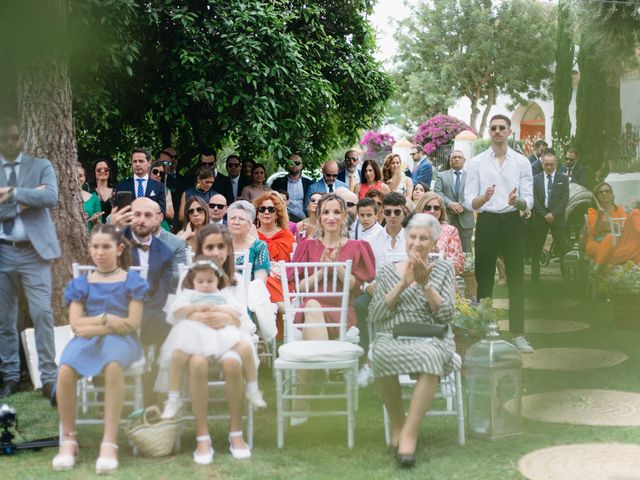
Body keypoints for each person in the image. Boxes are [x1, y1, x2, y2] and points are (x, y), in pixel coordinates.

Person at [52, 224, 148, 474]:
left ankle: (109, 440)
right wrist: (107, 319)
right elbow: (75, 325)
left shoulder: (131, 281)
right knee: (64, 369)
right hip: (88, 339)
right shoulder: (81, 283)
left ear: (119, 249)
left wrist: (96, 325)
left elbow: (132, 324)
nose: (100, 252)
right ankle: (69, 439)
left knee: (113, 365)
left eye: (106, 247)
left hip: (122, 341)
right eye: (95, 246)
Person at [369, 213, 459, 468]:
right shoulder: (388, 271)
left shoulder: (443, 269)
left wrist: (425, 284)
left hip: (432, 335)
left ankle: (409, 433)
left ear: (433, 243)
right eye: (413, 237)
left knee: (430, 357)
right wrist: (402, 284)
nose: (417, 243)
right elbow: (376, 315)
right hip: (392, 334)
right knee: (381, 353)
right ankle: (397, 423)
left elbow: (447, 315)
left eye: (424, 238)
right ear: (405, 239)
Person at [158, 258, 265, 424]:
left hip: (220, 332)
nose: (205, 285)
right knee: (177, 354)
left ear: (218, 281)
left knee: (245, 347)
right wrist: (194, 307)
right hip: (193, 333)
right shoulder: (190, 294)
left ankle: (252, 388)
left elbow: (237, 313)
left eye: (210, 281)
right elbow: (174, 312)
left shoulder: (222, 295)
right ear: (193, 281)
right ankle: (173, 398)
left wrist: (221, 309)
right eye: (200, 281)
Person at [0, 117, 59, 399]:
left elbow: (50, 197)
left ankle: (49, 378)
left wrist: (11, 194)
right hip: (3, 249)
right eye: (5, 139)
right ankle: (10, 376)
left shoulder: (40, 165)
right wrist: (26, 200)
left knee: (42, 314)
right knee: (5, 318)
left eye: (15, 137)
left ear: (22, 137)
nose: (10, 143)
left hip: (34, 252)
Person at [465, 114, 534, 353]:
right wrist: (482, 198)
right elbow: (468, 201)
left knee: (516, 278)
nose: (496, 131)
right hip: (487, 221)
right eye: (493, 128)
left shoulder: (522, 162)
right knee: (484, 277)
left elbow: (529, 200)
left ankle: (518, 334)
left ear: (509, 132)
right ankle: (486, 330)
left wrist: (518, 203)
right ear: (489, 133)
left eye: (501, 128)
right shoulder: (476, 162)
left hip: (512, 220)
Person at [189, 224, 257, 460]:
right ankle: (202, 435)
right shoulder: (191, 279)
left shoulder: (235, 280)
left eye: (221, 247)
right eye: (210, 247)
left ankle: (236, 431)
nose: (216, 252)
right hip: (198, 337)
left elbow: (243, 319)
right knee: (197, 363)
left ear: (228, 250)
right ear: (200, 250)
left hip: (229, 338)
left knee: (233, 363)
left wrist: (227, 317)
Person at [291, 193, 375, 340]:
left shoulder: (357, 246)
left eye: (337, 212)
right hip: (310, 309)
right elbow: (300, 287)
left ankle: (316, 359)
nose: (331, 217)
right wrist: (323, 271)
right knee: (311, 304)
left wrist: (336, 268)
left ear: (344, 216)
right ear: (319, 217)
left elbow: (356, 288)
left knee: (311, 306)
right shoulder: (307, 246)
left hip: (341, 311)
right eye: (325, 212)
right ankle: (324, 359)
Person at [530, 149, 570, 281]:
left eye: (551, 164)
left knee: (563, 249)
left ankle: (566, 278)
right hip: (540, 219)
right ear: (542, 164)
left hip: (557, 218)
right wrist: (544, 214)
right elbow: (533, 199)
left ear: (556, 164)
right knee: (536, 249)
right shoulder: (535, 179)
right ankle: (535, 280)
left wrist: (554, 214)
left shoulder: (563, 179)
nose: (548, 167)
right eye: (546, 164)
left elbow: (565, 199)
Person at [254, 192, 295, 308]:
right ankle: (285, 312)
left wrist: (286, 274)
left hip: (283, 279)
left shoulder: (287, 236)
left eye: (271, 209)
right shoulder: (251, 235)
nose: (266, 212)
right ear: (257, 213)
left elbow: (291, 263)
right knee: (262, 281)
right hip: (258, 279)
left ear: (278, 214)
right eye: (262, 209)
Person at [433, 150, 474, 252]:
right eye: (454, 157)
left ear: (464, 160)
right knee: (446, 249)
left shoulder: (471, 177)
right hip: (447, 218)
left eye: (459, 157)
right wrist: (450, 204)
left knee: (466, 251)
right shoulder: (441, 176)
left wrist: (461, 206)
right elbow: (438, 193)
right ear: (450, 161)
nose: (456, 159)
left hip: (466, 218)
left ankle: (467, 268)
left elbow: (473, 194)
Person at [415, 193, 464, 275]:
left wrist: (444, 258)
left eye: (436, 208)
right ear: (421, 209)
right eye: (428, 208)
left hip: (443, 277)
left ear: (441, 210)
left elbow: (459, 262)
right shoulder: (413, 230)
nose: (432, 211)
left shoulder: (450, 231)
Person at [585, 182, 627, 265]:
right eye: (601, 192)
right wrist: (599, 217)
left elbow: (624, 227)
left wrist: (612, 226)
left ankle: (598, 268)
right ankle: (601, 269)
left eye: (607, 191)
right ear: (596, 197)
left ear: (611, 194)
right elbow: (593, 232)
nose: (604, 194)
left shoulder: (619, 209)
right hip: (596, 242)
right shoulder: (593, 211)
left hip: (617, 241)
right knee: (608, 246)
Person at [228, 200, 269, 283]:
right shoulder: (219, 244)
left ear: (250, 225)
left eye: (241, 219)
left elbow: (260, 281)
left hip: (248, 292)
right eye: (232, 218)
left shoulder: (259, 246)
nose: (236, 222)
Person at [116, 148, 166, 214]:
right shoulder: (122, 185)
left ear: (148, 163)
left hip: (151, 223)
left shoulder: (159, 187)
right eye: (135, 161)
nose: (137, 164)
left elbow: (162, 210)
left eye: (141, 161)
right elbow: (119, 210)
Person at [270, 154, 312, 222]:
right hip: (284, 219)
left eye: (297, 163)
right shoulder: (278, 183)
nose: (294, 165)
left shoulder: (309, 184)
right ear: (287, 165)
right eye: (291, 163)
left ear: (301, 165)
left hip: (304, 219)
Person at [88, 158, 116, 223]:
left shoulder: (116, 190)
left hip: (112, 229)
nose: (103, 171)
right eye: (99, 170)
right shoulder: (89, 190)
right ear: (94, 172)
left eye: (106, 169)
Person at [148, 161, 174, 230]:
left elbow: (171, 214)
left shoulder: (166, 189)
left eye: (161, 173)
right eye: (155, 171)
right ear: (149, 172)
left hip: (162, 224)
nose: (158, 175)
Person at [77, 163, 103, 231]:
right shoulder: (63, 198)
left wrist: (96, 220)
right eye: (75, 175)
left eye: (80, 176)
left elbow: (100, 228)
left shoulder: (94, 198)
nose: (77, 178)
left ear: (84, 178)